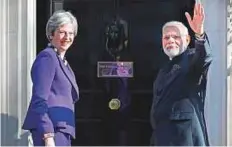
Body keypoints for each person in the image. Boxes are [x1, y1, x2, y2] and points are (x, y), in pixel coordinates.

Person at [150, 3, 212, 146]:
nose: (170, 40)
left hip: (184, 139)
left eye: (176, 37)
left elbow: (205, 57)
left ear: (187, 40)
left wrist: (200, 35)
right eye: (166, 38)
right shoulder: (163, 69)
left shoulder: (191, 59)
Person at [22, 10, 79, 146]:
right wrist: (47, 135)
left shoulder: (62, 61)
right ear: (51, 34)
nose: (67, 37)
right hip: (51, 131)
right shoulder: (47, 58)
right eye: (62, 32)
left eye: (71, 33)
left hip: (63, 130)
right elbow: (39, 100)